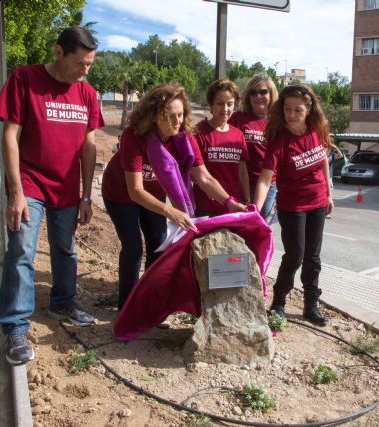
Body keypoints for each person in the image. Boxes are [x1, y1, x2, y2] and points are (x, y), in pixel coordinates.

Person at [0, 26, 104, 364]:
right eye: (80, 64)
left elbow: (89, 145)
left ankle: (62, 302)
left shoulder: (86, 94)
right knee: (22, 250)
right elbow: (10, 136)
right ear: (58, 52)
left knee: (65, 249)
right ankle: (15, 326)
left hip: (67, 188)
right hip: (30, 182)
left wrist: (86, 196)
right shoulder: (24, 79)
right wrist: (15, 192)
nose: (85, 72)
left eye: (90, 65)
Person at [101, 83, 247, 311]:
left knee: (158, 247)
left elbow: (204, 178)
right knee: (133, 247)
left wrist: (230, 203)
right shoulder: (134, 136)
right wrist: (171, 211)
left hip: (154, 195)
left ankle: (150, 303)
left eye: (180, 115)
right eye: (169, 116)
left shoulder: (185, 138)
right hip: (121, 194)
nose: (177, 122)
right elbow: (135, 191)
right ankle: (127, 307)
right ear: (153, 116)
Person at [253, 84, 333, 327]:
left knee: (313, 256)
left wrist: (329, 194)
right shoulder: (279, 141)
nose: (291, 114)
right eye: (287, 109)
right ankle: (279, 302)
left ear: (308, 109)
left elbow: (325, 162)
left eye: (297, 110)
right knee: (295, 255)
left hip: (318, 202)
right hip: (292, 206)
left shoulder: (317, 131)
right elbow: (265, 179)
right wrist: (255, 211)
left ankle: (311, 304)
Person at [193, 79, 250, 217]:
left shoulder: (238, 135)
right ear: (211, 104)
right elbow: (196, 175)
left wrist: (247, 199)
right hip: (206, 208)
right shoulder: (197, 132)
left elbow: (242, 171)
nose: (225, 109)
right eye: (220, 103)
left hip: (234, 208)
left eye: (229, 104)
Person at [229, 74, 279, 219]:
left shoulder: (277, 122)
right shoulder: (237, 118)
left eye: (263, 92)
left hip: (268, 185)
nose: (258, 96)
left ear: (271, 93)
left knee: (259, 224)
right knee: (240, 223)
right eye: (253, 92)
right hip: (239, 182)